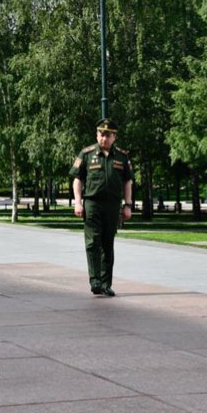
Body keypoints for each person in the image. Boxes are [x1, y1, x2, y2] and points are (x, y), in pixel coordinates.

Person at [69, 118, 133, 297]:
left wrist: (127, 205)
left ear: (114, 137)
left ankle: (106, 284)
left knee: (108, 243)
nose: (103, 138)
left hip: (112, 206)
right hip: (92, 204)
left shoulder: (121, 156)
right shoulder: (87, 154)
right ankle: (95, 281)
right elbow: (77, 179)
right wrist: (78, 202)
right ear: (97, 135)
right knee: (92, 242)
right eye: (101, 134)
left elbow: (128, 181)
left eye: (107, 135)